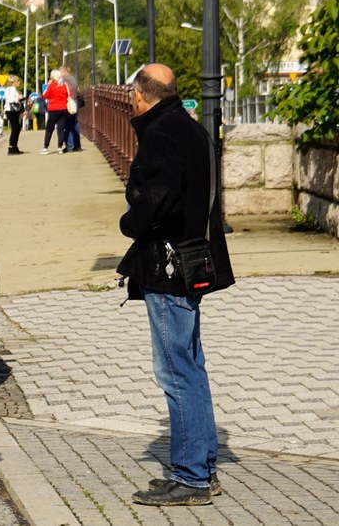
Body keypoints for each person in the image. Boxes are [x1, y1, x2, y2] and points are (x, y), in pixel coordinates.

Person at [116, 63, 234, 507]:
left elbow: (154, 198)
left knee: (176, 371)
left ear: (140, 96)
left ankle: (191, 477)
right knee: (192, 366)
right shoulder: (192, 129)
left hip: (168, 267)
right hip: (193, 259)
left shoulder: (161, 134)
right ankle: (202, 468)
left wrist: (130, 220)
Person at [40, 68, 70, 154]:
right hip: (64, 109)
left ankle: (45, 147)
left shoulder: (52, 86)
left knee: (49, 128)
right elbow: (69, 94)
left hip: (53, 109)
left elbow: (45, 96)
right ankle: (60, 147)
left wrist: (47, 85)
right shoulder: (64, 85)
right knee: (60, 128)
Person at [61, 65, 82, 152]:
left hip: (69, 103)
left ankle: (69, 146)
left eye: (61, 72)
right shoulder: (73, 78)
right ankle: (77, 145)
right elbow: (78, 90)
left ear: (65, 71)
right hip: (75, 102)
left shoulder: (65, 79)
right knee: (75, 124)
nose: (60, 74)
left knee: (68, 125)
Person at [2, 79, 26, 154]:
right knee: (15, 129)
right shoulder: (12, 89)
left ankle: (14, 147)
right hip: (12, 111)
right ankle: (11, 148)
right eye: (17, 81)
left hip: (9, 111)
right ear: (13, 82)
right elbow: (11, 100)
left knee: (16, 129)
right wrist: (19, 98)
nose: (19, 82)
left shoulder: (8, 89)